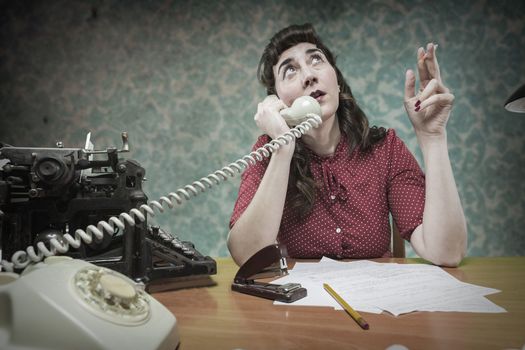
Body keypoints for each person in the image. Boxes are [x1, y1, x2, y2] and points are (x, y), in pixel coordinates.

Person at [227, 23, 467, 267]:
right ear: (277, 102)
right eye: (290, 71)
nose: (309, 76)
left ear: (337, 83)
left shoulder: (386, 149)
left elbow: (447, 252)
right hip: (302, 303)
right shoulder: (269, 152)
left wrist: (433, 137)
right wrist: (282, 148)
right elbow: (247, 255)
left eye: (316, 60)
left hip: (377, 301)